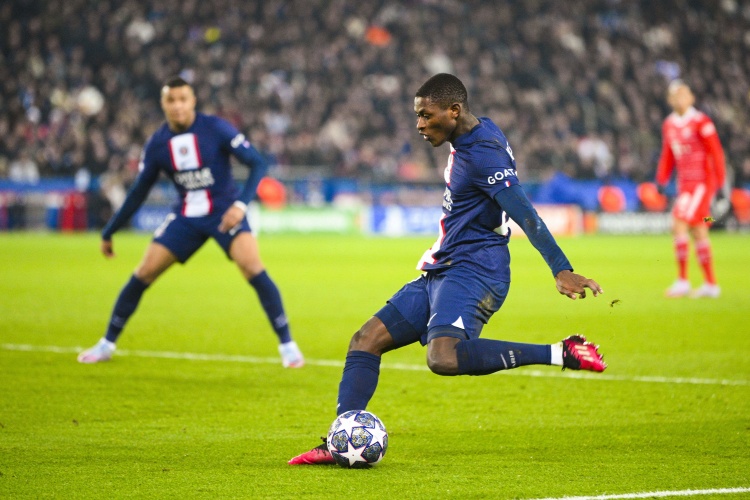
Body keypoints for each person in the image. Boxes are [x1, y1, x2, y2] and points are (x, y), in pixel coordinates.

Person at [288, 73, 605, 465]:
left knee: (443, 357)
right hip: (444, 266)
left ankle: (561, 352)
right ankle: (340, 441)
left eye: (426, 115)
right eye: (417, 116)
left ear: (454, 111)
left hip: (476, 270)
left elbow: (525, 212)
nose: (419, 125)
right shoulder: (478, 131)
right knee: (365, 340)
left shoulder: (483, 154)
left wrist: (561, 268)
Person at [77, 76, 304, 368]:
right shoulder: (157, 144)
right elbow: (138, 192)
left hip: (225, 212)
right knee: (144, 272)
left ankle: (288, 346)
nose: (177, 106)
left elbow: (257, 163)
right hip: (186, 216)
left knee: (252, 267)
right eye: (171, 100)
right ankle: (106, 344)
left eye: (183, 99)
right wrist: (110, 231)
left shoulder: (216, 128)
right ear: (164, 104)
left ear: (193, 101)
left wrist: (240, 205)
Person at [656, 80, 726, 299]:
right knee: (699, 230)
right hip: (684, 184)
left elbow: (716, 152)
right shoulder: (669, 124)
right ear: (670, 100)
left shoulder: (701, 121)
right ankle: (711, 284)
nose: (680, 99)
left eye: (683, 94)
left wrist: (721, 183)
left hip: (701, 183)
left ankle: (683, 281)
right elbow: (668, 154)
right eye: (675, 95)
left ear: (691, 98)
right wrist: (662, 178)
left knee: (678, 222)